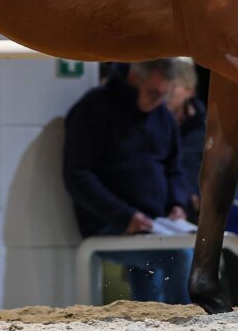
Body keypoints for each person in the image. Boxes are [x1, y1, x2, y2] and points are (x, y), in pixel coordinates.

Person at [62, 58, 192, 304]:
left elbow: (174, 168)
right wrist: (124, 216)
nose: (156, 103)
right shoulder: (94, 108)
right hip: (109, 225)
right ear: (134, 78)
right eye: (153, 94)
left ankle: (155, 326)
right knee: (179, 256)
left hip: (156, 224)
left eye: (163, 96)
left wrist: (177, 204)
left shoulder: (162, 115)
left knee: (157, 275)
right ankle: (185, 323)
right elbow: (78, 176)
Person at [166, 59, 207, 219]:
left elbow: (226, 173)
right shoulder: (152, 122)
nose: (166, 91)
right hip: (164, 213)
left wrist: (201, 197)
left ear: (190, 90)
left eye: (174, 85)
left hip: (195, 217)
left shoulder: (207, 129)